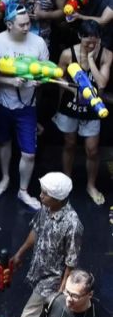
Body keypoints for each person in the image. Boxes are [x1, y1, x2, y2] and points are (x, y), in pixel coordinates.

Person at [0, 6, 49, 209]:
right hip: (2, 102)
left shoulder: (38, 42)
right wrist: (10, 82)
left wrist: (41, 81)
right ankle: (5, 177)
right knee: (4, 142)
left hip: (28, 106)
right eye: (22, 24)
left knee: (29, 152)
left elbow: (46, 71)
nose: (26, 27)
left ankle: (23, 190)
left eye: (28, 23)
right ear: (9, 24)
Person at [12, 172, 83, 317]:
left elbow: (71, 263)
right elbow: (36, 230)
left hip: (53, 280)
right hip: (39, 271)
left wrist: (61, 291)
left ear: (58, 198)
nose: (40, 195)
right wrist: (19, 253)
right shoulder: (46, 207)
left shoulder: (72, 224)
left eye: (45, 193)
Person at [52, 19, 110, 206]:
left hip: (94, 108)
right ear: (79, 37)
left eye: (95, 42)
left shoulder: (106, 55)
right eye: (87, 43)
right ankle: (66, 182)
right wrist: (73, 90)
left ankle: (91, 185)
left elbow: (101, 83)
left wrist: (91, 58)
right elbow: (57, 78)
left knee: (92, 149)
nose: (91, 46)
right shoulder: (67, 54)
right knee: (69, 144)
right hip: (71, 105)